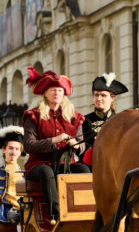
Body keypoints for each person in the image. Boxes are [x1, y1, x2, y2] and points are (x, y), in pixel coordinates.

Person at [22, 67, 89, 221]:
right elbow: (29, 145)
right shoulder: (33, 116)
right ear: (45, 93)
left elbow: (82, 145)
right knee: (47, 172)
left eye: (59, 90)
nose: (56, 93)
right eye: (52, 90)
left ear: (63, 93)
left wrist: (76, 145)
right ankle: (57, 215)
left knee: (83, 169)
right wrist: (55, 140)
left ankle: (84, 212)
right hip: (38, 165)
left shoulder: (75, 117)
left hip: (65, 163)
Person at [82, 73, 129, 163]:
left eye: (103, 95)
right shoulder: (85, 120)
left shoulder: (120, 120)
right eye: (96, 95)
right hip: (93, 164)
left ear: (112, 98)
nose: (99, 98)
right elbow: (83, 147)